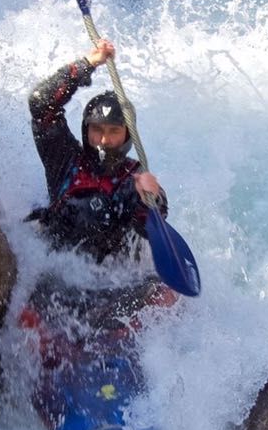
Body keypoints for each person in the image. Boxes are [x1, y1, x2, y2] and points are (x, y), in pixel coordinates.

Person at [28, 38, 166, 263]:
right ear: (85, 129)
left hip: (110, 279)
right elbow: (40, 105)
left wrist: (152, 199)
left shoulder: (135, 177)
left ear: (127, 134)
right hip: (55, 267)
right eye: (97, 130)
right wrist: (87, 64)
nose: (104, 139)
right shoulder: (65, 158)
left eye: (114, 131)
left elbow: (150, 229)